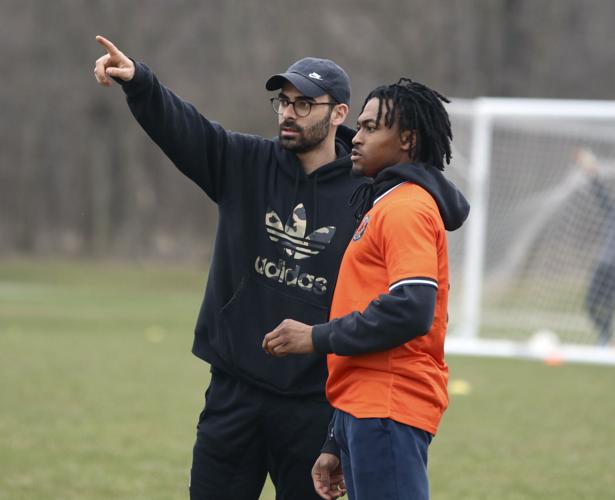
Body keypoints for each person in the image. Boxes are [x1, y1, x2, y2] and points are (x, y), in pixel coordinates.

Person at [93, 35, 366, 500]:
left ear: (338, 113)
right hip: (233, 396)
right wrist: (140, 82)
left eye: (304, 105)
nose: (288, 113)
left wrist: (337, 434)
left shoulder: (364, 194)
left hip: (314, 407)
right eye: (283, 102)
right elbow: (187, 130)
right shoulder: (246, 163)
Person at [263, 78, 470, 500]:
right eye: (359, 126)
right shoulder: (385, 202)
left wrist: (315, 337)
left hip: (387, 406)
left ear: (408, 140)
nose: (356, 138)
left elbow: (411, 308)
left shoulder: (407, 207)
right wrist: (337, 438)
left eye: (372, 128)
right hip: (365, 408)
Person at [576, 148, 615, 347]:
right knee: (592, 304)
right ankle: (605, 335)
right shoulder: (612, 211)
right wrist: (592, 171)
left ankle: (607, 339)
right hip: (605, 265)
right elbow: (602, 196)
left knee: (609, 305)